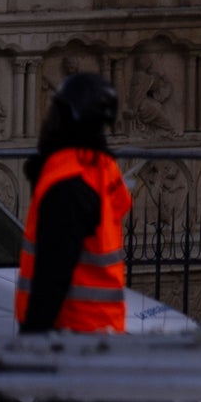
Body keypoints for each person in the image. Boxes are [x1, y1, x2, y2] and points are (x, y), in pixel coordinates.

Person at [16, 71, 130, 334]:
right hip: (97, 327)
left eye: (56, 110)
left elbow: (53, 274)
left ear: (69, 118)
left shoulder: (69, 183)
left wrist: (32, 336)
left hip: (70, 333)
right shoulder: (99, 170)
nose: (48, 119)